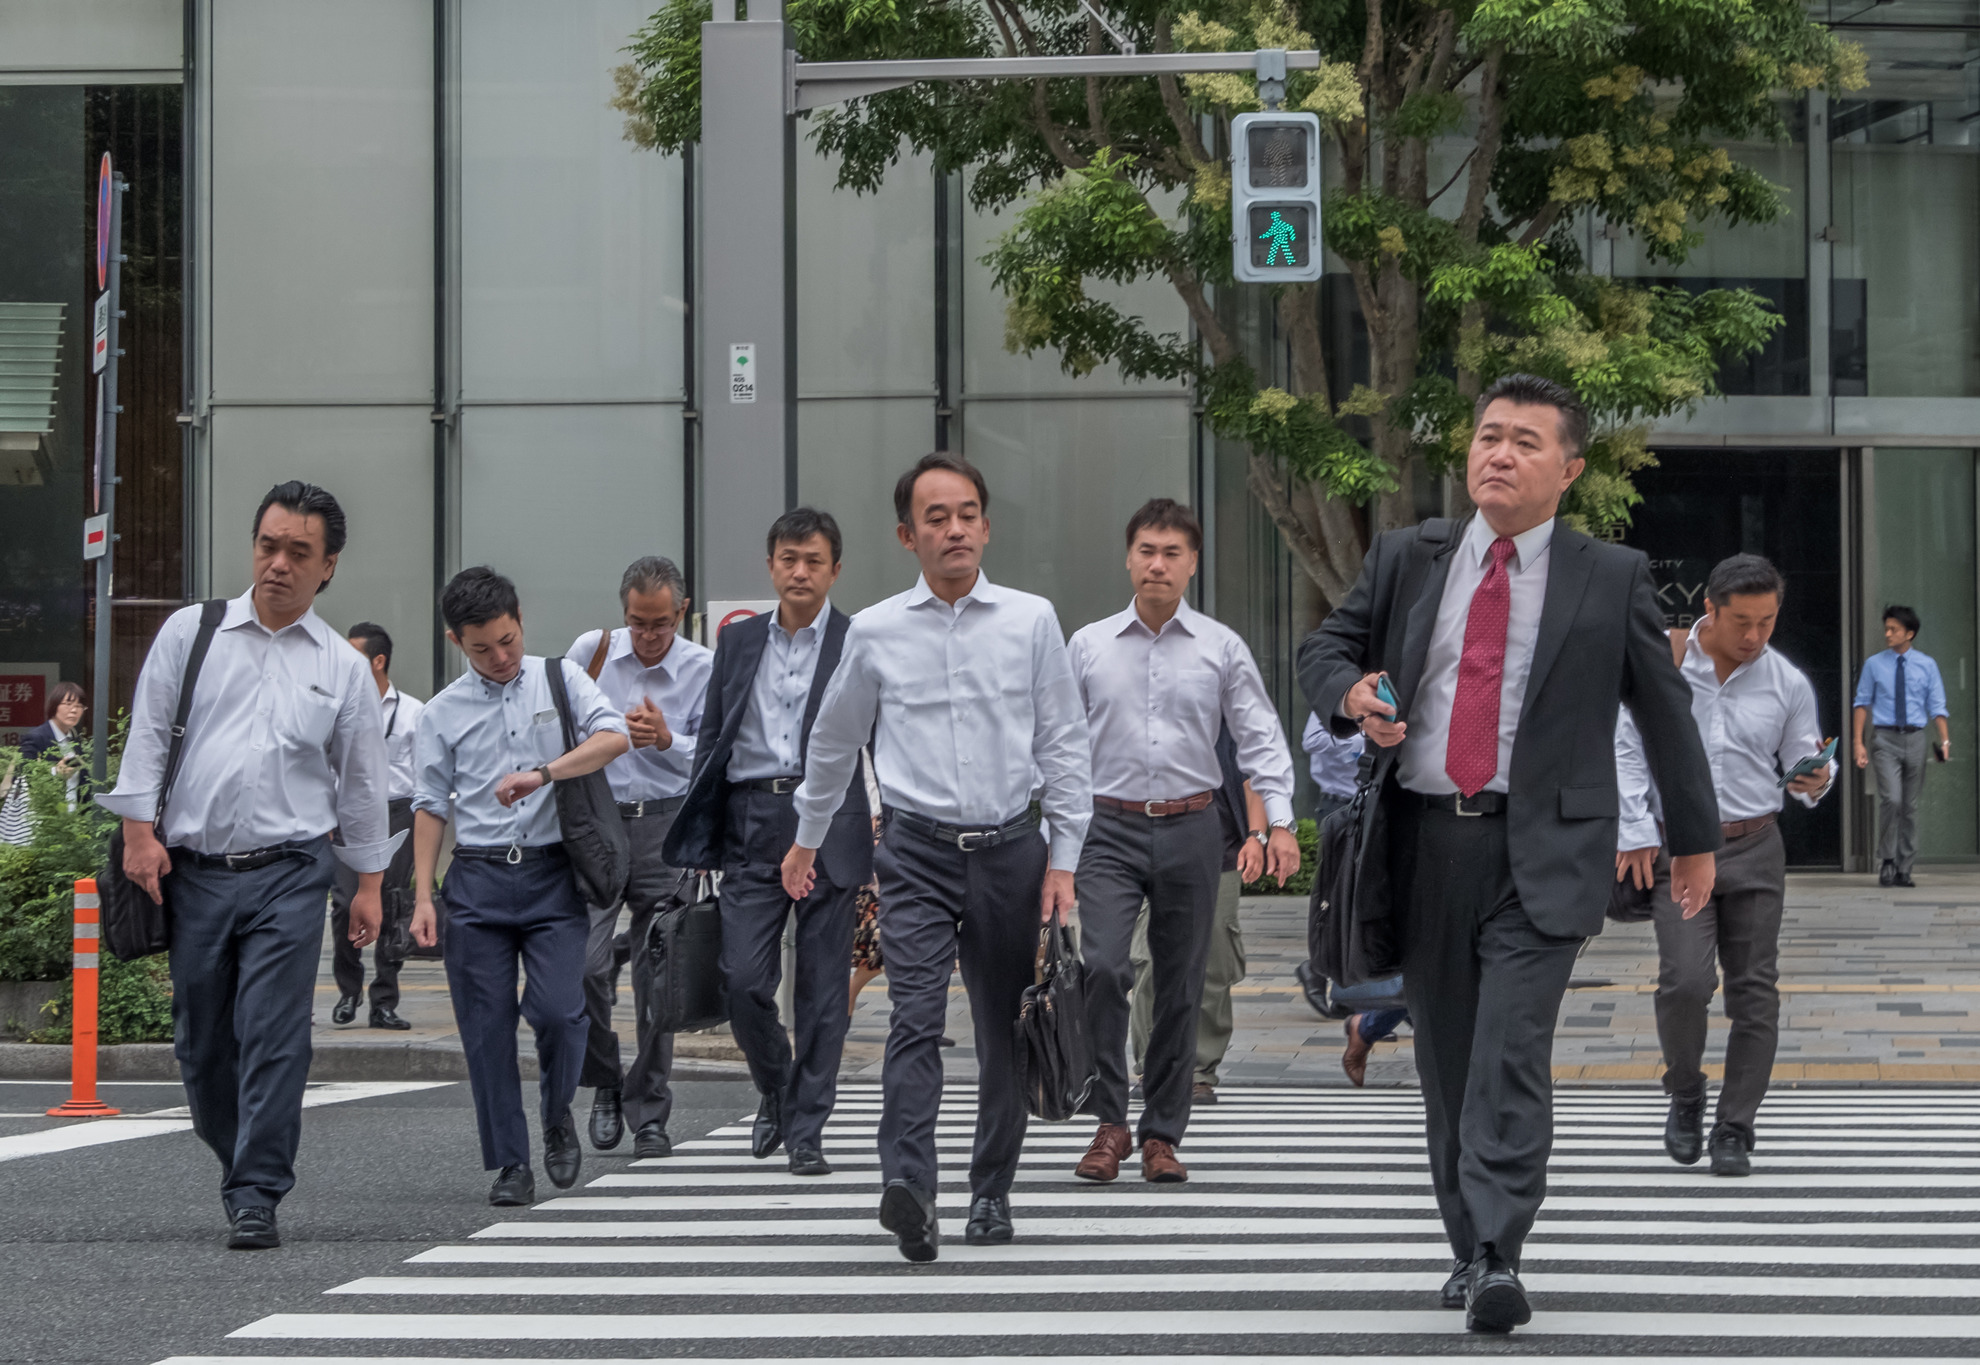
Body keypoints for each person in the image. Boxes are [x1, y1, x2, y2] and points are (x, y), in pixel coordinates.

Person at [1297, 374, 1719, 1334]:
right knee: (1447, 1057)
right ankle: (1466, 1243)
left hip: (1546, 854)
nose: (1498, 454)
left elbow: (1665, 714)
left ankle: (1498, 1250)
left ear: (1567, 469)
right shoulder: (1412, 555)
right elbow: (1324, 647)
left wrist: (1693, 842)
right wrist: (1351, 694)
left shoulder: (1607, 574)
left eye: (1525, 441)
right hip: (1424, 842)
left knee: (1509, 1050)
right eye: (1489, 436)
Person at [781, 452, 1092, 1261]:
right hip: (914, 851)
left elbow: (1063, 744)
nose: (953, 528)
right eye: (935, 517)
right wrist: (806, 838)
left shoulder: (1031, 620)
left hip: (1012, 850)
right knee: (912, 1017)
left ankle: (990, 1188)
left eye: (966, 514)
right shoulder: (877, 631)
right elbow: (834, 740)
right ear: (906, 535)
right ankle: (911, 1185)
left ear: (985, 526)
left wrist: (1064, 860)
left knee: (1001, 1028)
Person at [97, 481, 397, 1250]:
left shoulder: (340, 666)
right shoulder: (190, 634)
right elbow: (151, 734)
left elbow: (364, 785)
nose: (278, 563)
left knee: (273, 1030)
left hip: (291, 871)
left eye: (299, 552)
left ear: (328, 566)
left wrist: (368, 885)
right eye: (269, 545)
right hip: (193, 869)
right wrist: (137, 833)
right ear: (252, 547)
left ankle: (258, 1189)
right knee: (202, 1041)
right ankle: (240, 1161)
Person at [1068, 498, 1298, 1185]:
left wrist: (1278, 820)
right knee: (1104, 966)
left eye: (1172, 552)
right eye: (1146, 549)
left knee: (1180, 984)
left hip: (1194, 826)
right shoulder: (1088, 644)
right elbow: (1052, 740)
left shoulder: (1220, 646)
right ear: (1128, 557)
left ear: (1192, 562)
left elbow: (1259, 734)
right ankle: (1110, 1120)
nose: (1158, 563)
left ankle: (1161, 1133)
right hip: (1106, 826)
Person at [410, 567, 630, 1207]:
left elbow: (612, 737)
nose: (499, 657)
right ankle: (511, 1161)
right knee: (485, 1029)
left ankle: (557, 1111)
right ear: (457, 640)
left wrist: (543, 773)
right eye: (482, 648)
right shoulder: (441, 712)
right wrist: (424, 895)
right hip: (475, 879)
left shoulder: (559, 679)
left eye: (507, 640)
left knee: (562, 1013)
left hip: (552, 874)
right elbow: (429, 805)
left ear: (520, 620)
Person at [665, 507, 870, 1176]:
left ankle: (807, 1127)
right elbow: (712, 738)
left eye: (813, 560)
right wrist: (702, 836)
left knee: (819, 989)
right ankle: (777, 1087)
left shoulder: (859, 640)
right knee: (743, 980)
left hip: (831, 822)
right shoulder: (740, 640)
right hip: (752, 821)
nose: (800, 570)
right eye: (789, 557)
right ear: (771, 564)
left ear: (835, 569)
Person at [1615, 554, 1833, 1177]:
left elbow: (1803, 766)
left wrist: (1815, 778)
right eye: (1742, 621)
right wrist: (1632, 832)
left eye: (1767, 621)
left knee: (1754, 993)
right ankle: (1685, 1091)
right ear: (1709, 608)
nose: (1755, 636)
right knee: (1685, 981)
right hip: (1678, 847)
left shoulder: (1784, 680)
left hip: (1756, 844)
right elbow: (1625, 748)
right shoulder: (1660, 660)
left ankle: (1736, 1125)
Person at [563, 556, 711, 1157]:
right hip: (601, 822)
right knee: (587, 964)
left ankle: (648, 1110)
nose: (647, 635)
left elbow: (717, 756)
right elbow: (558, 723)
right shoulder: (592, 653)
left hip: (668, 825)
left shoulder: (705, 668)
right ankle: (603, 1078)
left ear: (681, 611)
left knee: (660, 973)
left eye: (659, 623)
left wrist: (668, 740)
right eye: (636, 622)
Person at [1129, 764, 1272, 1106]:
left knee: (1214, 961)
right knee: (1149, 961)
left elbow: (1256, 776)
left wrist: (1258, 836)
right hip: (1149, 847)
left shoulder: (1232, 712)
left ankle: (1199, 1072)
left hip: (1220, 852)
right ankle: (1152, 1067)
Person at [329, 623, 423, 1031]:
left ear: (378, 661)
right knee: (345, 903)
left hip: (398, 813)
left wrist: (421, 823)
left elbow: (424, 775)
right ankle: (348, 990)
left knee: (393, 904)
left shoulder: (414, 712)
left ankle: (384, 1001)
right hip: (348, 815)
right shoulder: (337, 707)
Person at [1852, 604, 1950, 888]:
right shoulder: (1874, 665)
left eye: (1894, 629)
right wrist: (1858, 743)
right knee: (1891, 799)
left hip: (1916, 738)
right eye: (1887, 628)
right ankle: (1887, 861)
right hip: (1884, 739)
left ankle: (1905, 867)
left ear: (1910, 633)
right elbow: (1861, 704)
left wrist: (1944, 741)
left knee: (1909, 805)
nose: (1888, 634)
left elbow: (1937, 706)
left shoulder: (1927, 665)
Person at [1295, 713, 1365, 1019]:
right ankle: (1319, 970)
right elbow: (1312, 741)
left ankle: (1354, 994)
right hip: (1338, 806)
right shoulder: (1335, 700)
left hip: (1371, 804)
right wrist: (1358, 735)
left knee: (1362, 898)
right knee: (1337, 897)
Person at [3, 683, 89, 844]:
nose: (74, 710)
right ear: (54, 705)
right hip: (41, 824)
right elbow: (22, 775)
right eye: (68, 704)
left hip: (74, 823)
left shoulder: (75, 740)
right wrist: (54, 772)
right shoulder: (36, 737)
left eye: (79, 706)